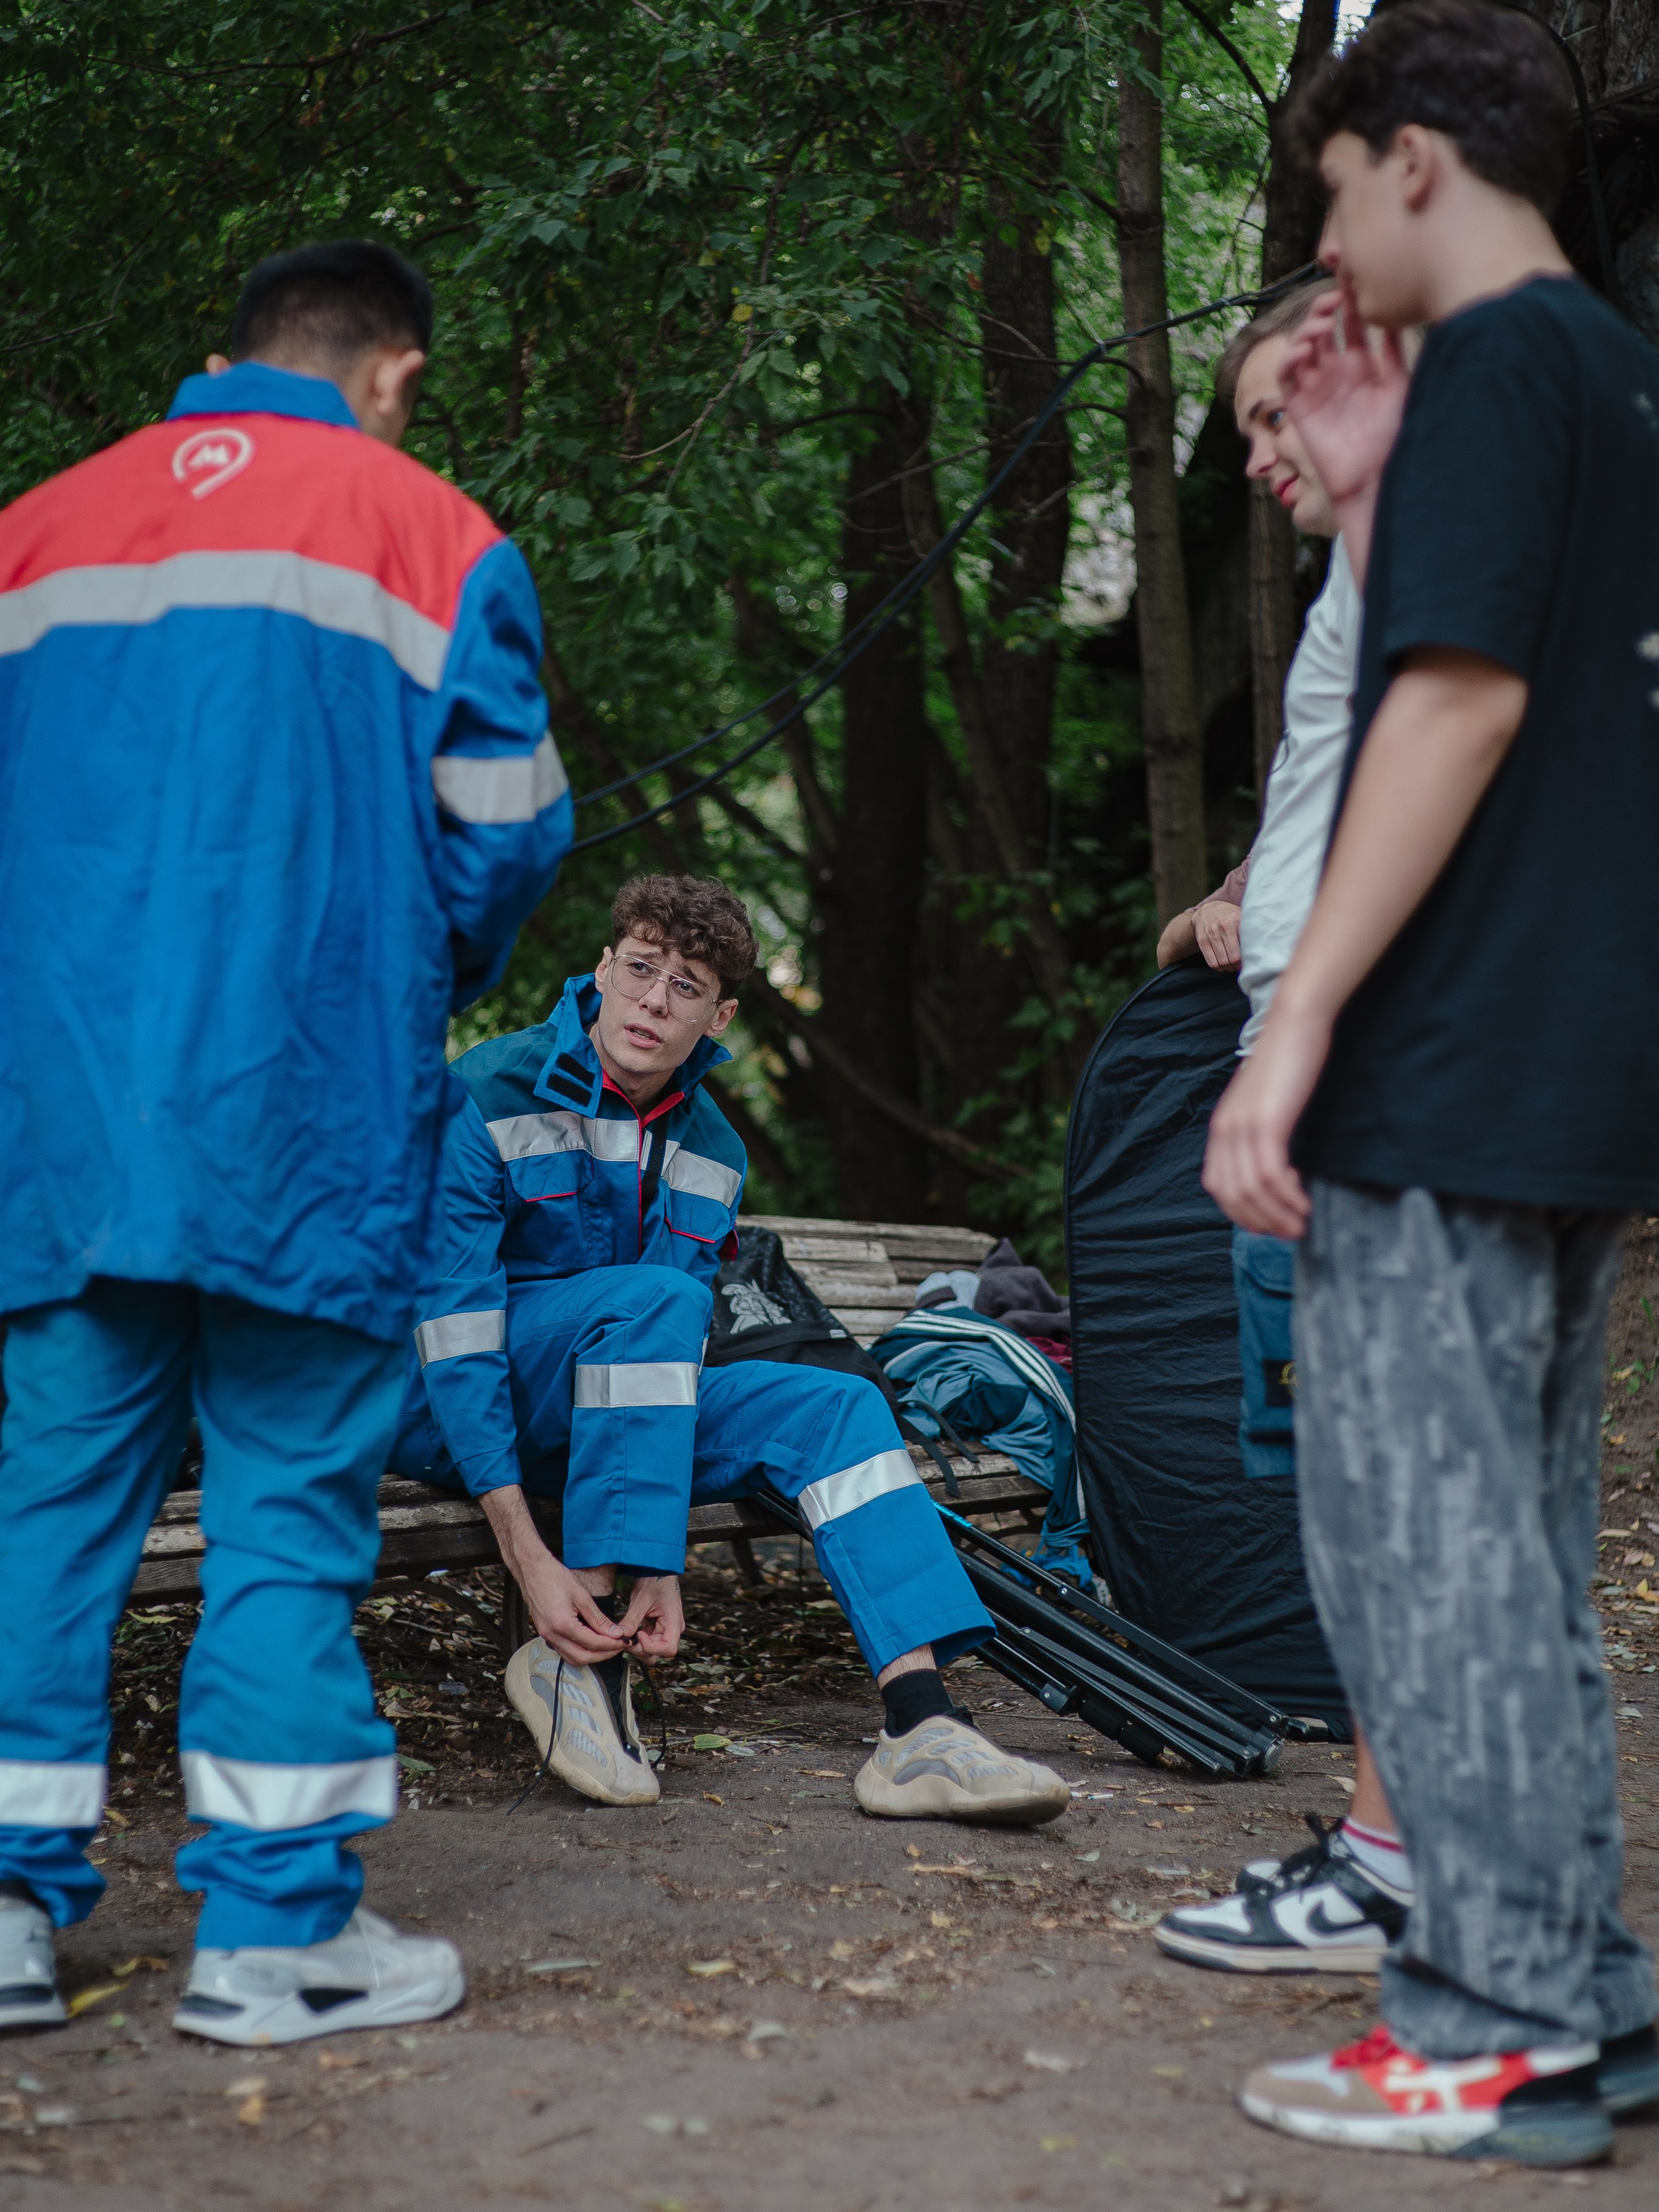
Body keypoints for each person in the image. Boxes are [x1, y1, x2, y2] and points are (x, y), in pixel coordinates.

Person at [0, 241, 572, 2046]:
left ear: (224, 352)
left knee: (44, 1511)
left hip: (66, 1123)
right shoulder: (435, 536)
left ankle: (11, 1912)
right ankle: (271, 1939)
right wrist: (430, 970)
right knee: (280, 1518)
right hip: (304, 1113)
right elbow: (504, 834)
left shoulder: (35, 536)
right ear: (390, 370)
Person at [1203, 0, 1659, 2164]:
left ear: (1408, 161)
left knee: (1417, 1558)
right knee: (1515, 1559)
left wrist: (1290, 1032)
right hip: (1579, 1068)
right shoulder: (1622, 376)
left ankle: (1494, 2006)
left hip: (1455, 1069)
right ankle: (1569, 2004)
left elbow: (1461, 703)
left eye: (1319, 188)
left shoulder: (1492, 357)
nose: (1319, 238)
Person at [391, 871, 1071, 1826]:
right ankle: (573, 1650)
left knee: (837, 1405)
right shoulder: (484, 1092)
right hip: (460, 1405)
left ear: (720, 1018)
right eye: (640, 969)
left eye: (687, 987)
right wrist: (527, 1554)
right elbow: (452, 1335)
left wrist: (657, 1551)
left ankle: (920, 1726)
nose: (653, 1001)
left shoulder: (715, 1149)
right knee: (653, 1297)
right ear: (602, 968)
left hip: (620, 1409)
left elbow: (664, 1362)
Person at [1154, 286, 1415, 1978]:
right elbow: (1333, 821)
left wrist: (1312, 1028)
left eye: (1276, 415)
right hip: (1289, 1080)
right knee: (1348, 1505)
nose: (1258, 456)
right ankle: (1388, 1839)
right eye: (1243, 429)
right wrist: (1235, 910)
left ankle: (1400, 1864)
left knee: (1402, 1505)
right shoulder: (1353, 582)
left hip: (1357, 1103)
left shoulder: (1440, 561)